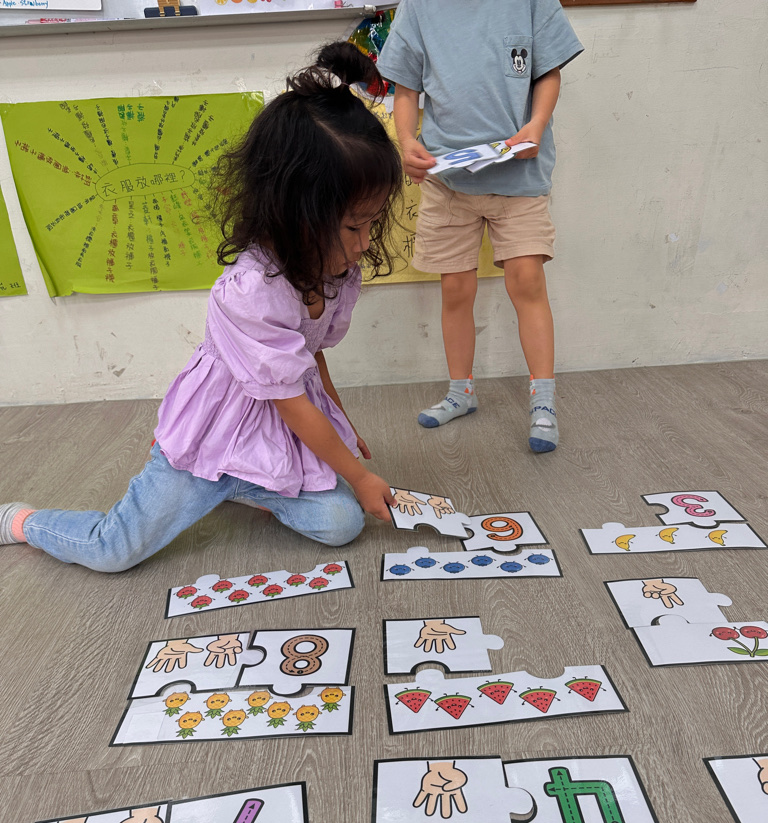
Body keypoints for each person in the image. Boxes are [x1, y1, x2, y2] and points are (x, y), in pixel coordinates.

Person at [0, 43, 402, 570]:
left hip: (271, 437)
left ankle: (249, 486)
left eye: (372, 223)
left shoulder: (333, 272)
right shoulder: (249, 291)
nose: (364, 243)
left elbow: (311, 356)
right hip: (208, 438)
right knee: (113, 550)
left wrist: (341, 426)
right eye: (354, 226)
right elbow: (290, 399)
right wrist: (357, 473)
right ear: (296, 212)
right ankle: (21, 521)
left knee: (342, 524)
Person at [376, 0, 583, 451]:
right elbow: (406, 88)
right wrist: (406, 141)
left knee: (527, 281)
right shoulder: (419, 8)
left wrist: (537, 124)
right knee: (455, 289)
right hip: (448, 179)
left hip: (520, 176)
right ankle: (460, 392)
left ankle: (544, 403)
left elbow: (548, 72)